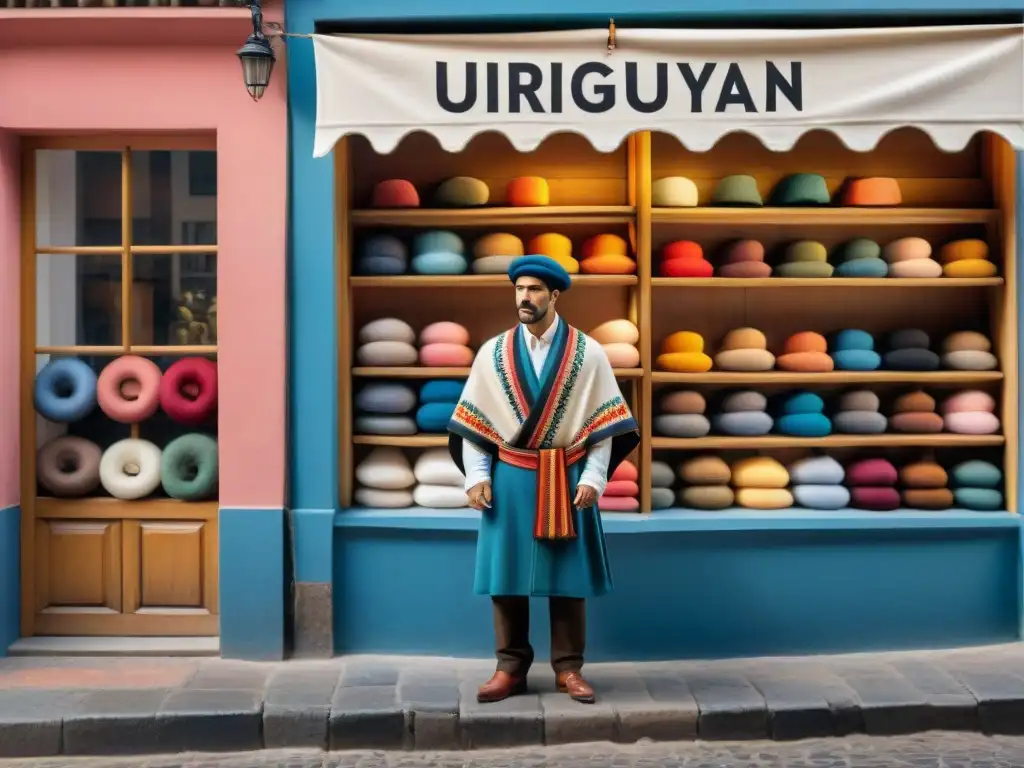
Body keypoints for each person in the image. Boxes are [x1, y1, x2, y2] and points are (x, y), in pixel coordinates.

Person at [447, 254, 640, 705]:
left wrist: (594, 477)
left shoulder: (588, 352)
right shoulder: (492, 353)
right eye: (519, 289)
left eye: (534, 290)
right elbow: (474, 423)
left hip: (567, 475)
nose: (525, 297)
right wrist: (476, 476)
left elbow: (604, 423)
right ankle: (509, 666)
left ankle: (568, 669)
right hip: (510, 475)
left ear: (554, 295)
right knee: (506, 576)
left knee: (568, 577)